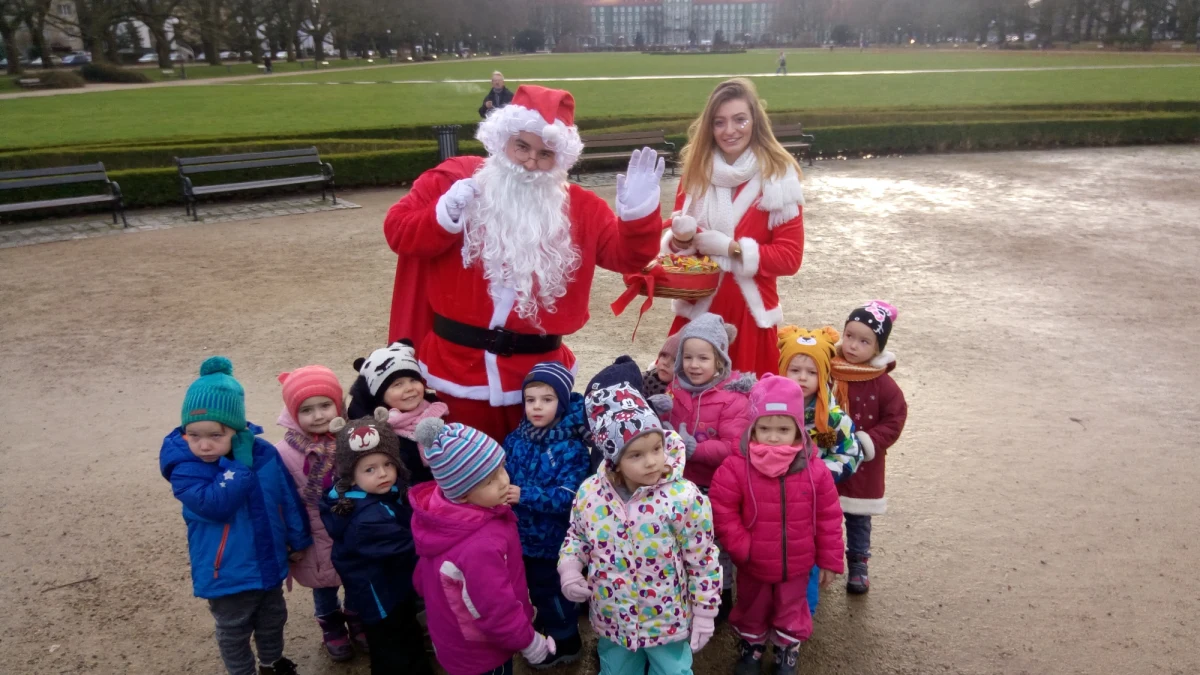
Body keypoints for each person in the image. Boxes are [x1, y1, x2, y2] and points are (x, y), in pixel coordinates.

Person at [384, 84, 666, 442]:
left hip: (538, 381)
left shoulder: (583, 207)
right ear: (502, 141)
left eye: (546, 153)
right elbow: (397, 231)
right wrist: (444, 214)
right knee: (466, 479)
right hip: (457, 370)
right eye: (522, 147)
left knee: (537, 479)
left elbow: (628, 257)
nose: (531, 162)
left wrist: (639, 216)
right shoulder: (454, 179)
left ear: (561, 160)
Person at [559, 373, 722, 675]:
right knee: (617, 670)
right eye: (636, 454)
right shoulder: (591, 494)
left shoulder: (683, 497)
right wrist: (570, 570)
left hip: (667, 618)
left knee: (672, 671)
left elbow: (703, 559)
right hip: (614, 617)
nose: (651, 462)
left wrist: (705, 611)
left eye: (656, 449)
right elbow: (577, 537)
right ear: (614, 458)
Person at [159, 356, 311, 675]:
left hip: (268, 558)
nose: (203, 444)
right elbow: (215, 504)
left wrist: (298, 539)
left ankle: (272, 663)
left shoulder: (264, 453)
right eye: (194, 434)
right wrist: (239, 466)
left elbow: (287, 497)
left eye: (215, 435)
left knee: (273, 618)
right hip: (225, 570)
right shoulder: (185, 468)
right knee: (234, 630)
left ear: (237, 429)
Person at [665, 78, 806, 377]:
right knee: (686, 413)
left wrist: (731, 248)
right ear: (710, 127)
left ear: (755, 121)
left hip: (750, 318)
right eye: (720, 122)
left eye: (739, 119)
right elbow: (678, 254)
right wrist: (680, 241)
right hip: (698, 313)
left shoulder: (779, 175)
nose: (730, 130)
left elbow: (790, 258)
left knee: (749, 416)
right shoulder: (696, 172)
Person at [708, 375, 844, 675]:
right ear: (752, 427)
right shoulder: (736, 465)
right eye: (764, 428)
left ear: (798, 429)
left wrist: (830, 560)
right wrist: (743, 547)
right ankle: (751, 648)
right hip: (753, 562)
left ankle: (787, 649)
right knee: (752, 608)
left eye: (783, 429)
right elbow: (722, 509)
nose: (772, 436)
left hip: (797, 563)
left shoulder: (814, 469)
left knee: (791, 609)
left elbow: (829, 517)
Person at [410, 419, 557, 675]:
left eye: (502, 468)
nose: (503, 482)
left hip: (452, 636)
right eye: (489, 481)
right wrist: (530, 642)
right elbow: (496, 609)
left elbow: (422, 579)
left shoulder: (441, 516)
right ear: (462, 492)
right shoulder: (480, 544)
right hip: (483, 650)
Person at [321, 408, 434, 675]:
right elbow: (409, 545)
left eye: (388, 464)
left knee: (404, 633)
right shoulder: (367, 520)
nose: (382, 474)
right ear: (351, 475)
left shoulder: (373, 494)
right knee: (391, 645)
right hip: (381, 596)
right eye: (370, 469)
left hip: (390, 585)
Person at [274, 365, 365, 661]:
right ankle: (331, 626)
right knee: (323, 585)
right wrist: (292, 540)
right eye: (306, 410)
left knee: (355, 577)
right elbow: (282, 500)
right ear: (293, 413)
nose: (318, 416)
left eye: (325, 405)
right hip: (313, 533)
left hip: (350, 526)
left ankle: (356, 618)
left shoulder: (353, 439)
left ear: (338, 404)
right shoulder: (285, 453)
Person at [502, 361, 590, 666]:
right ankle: (553, 621)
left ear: (562, 403)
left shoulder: (571, 447)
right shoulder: (518, 437)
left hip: (553, 540)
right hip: (521, 535)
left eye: (547, 400)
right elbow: (504, 471)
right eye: (530, 400)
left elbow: (571, 497)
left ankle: (566, 640)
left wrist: (524, 495)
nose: (537, 407)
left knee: (551, 588)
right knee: (535, 587)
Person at [831, 301, 909, 594]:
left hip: (864, 463)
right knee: (823, 510)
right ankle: (824, 559)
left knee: (858, 518)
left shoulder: (883, 384)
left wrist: (868, 442)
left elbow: (896, 417)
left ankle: (859, 562)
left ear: (877, 348)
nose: (852, 345)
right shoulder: (831, 369)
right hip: (829, 455)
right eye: (849, 335)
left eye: (864, 341)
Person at [668, 312, 755, 490]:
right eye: (687, 357)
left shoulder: (733, 399)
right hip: (674, 477)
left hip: (713, 483)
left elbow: (733, 446)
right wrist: (657, 410)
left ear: (719, 360)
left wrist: (695, 450)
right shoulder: (674, 388)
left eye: (703, 358)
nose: (693, 365)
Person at [346, 340, 447, 485]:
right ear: (380, 395)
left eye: (413, 380)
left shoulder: (435, 410)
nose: (409, 388)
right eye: (397, 384)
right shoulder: (376, 431)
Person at [777, 326, 863, 483]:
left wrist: (819, 475)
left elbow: (849, 453)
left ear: (823, 375)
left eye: (812, 372)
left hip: (814, 493)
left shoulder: (833, 418)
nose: (803, 377)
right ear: (782, 370)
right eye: (795, 370)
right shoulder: (768, 411)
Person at [641, 331, 681, 397]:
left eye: (675, 360)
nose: (666, 363)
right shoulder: (643, 379)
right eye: (664, 355)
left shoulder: (679, 398)